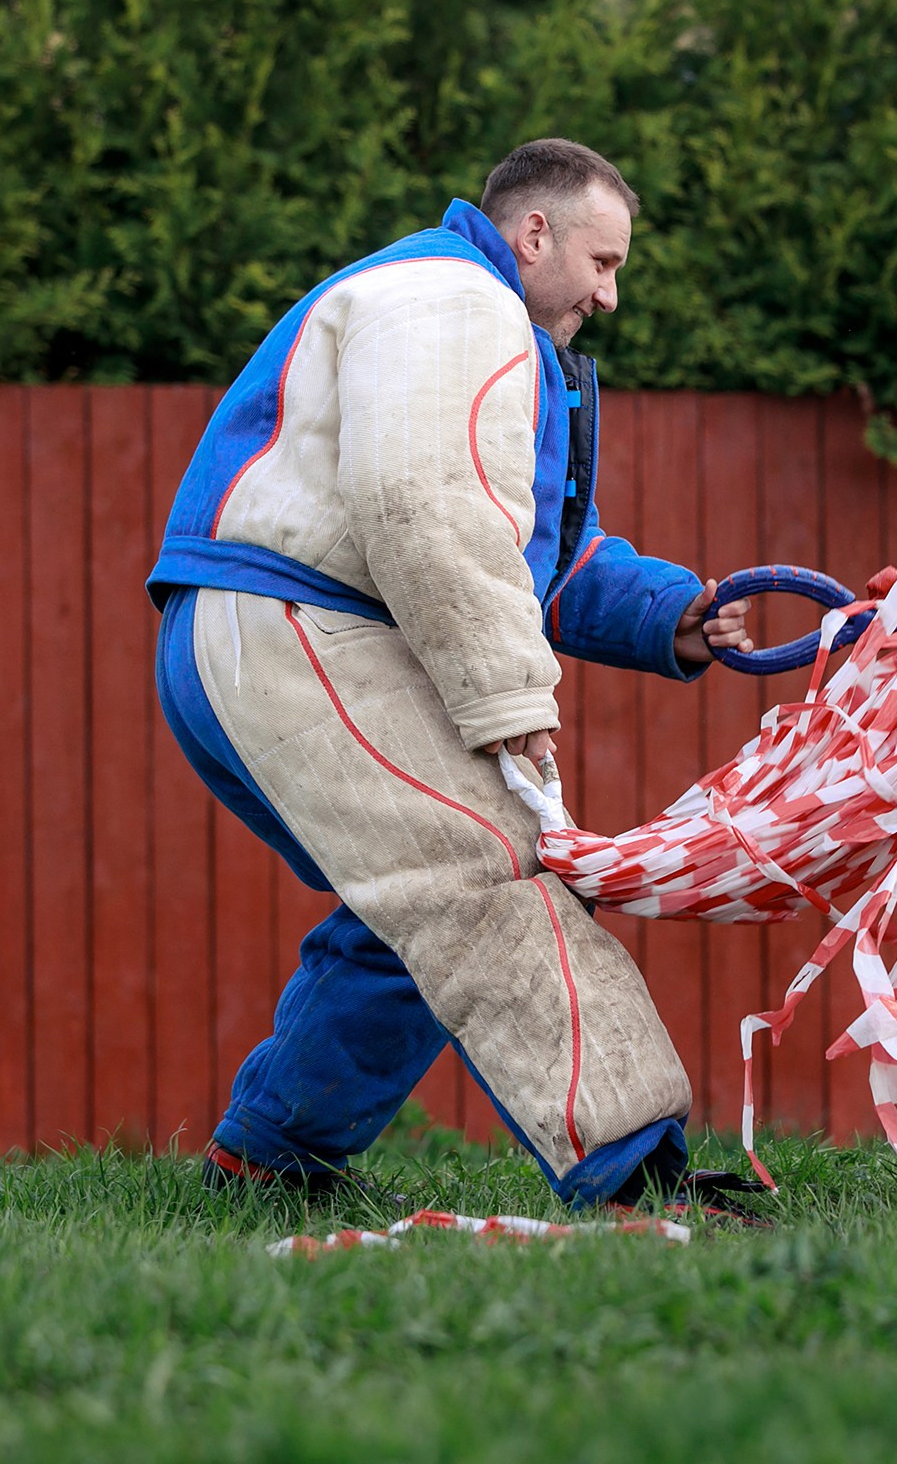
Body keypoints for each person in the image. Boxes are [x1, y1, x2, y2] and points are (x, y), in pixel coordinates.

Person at [148, 139, 754, 1209]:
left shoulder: (481, 322)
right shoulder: (451, 296)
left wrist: (676, 616)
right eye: (602, 262)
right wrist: (509, 699)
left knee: (409, 907)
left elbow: (537, 555)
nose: (609, 296)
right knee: (495, 869)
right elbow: (423, 502)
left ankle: (266, 1169)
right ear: (535, 234)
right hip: (295, 624)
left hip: (263, 632)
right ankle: (634, 1177)